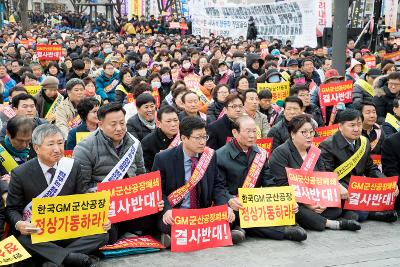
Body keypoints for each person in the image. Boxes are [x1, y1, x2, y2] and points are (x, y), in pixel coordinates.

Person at [7, 124, 109, 266]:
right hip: (39, 233)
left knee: (102, 235)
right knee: (23, 240)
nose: (57, 149)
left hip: (67, 229)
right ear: (36, 148)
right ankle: (70, 258)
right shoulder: (20, 173)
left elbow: (81, 199)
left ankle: (53, 260)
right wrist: (19, 224)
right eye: (50, 144)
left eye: (60, 143)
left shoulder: (73, 166)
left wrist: (97, 219)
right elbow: (12, 209)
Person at [73, 103, 153, 244]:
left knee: (158, 215)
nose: (119, 128)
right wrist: (111, 192)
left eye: (122, 123)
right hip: (104, 206)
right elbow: (80, 188)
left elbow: (141, 174)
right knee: (108, 234)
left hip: (130, 204)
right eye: (113, 124)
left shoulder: (134, 143)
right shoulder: (84, 148)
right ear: (101, 124)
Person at [217, 116, 308, 242]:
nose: (252, 135)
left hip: (255, 203)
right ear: (235, 133)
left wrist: (285, 201)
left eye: (255, 131)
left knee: (289, 209)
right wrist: (229, 200)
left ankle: (240, 229)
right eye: (248, 131)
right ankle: (285, 232)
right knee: (237, 213)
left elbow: (269, 182)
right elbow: (218, 189)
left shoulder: (260, 153)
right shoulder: (220, 155)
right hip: (234, 204)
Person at [152, 116, 239, 246]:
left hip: (202, 213)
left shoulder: (210, 155)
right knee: (168, 223)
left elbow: (218, 186)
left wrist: (224, 207)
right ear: (184, 138)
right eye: (198, 138)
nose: (202, 142)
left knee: (231, 215)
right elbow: (158, 191)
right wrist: (167, 210)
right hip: (178, 212)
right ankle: (221, 234)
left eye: (205, 137)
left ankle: (177, 238)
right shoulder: (163, 158)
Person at [267, 114, 360, 232]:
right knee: (294, 209)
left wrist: (323, 199)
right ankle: (334, 224)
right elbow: (282, 186)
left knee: (341, 193)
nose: (309, 136)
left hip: (315, 196)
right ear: (293, 134)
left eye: (311, 132)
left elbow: (322, 177)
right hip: (296, 199)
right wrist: (307, 203)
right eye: (304, 132)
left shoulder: (314, 151)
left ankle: (322, 218)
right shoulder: (281, 153)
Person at [319, 109, 398, 222]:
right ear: (340, 127)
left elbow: (370, 168)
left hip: (359, 188)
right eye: (352, 125)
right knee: (361, 214)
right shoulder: (327, 145)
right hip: (340, 189)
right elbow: (325, 175)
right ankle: (369, 214)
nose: (356, 129)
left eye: (359, 124)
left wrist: (387, 183)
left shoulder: (364, 141)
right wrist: (339, 187)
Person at [141, 106, 180, 171]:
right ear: (159, 124)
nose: (173, 124)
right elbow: (146, 168)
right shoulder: (148, 142)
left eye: (175, 120)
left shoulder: (184, 135)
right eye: (168, 121)